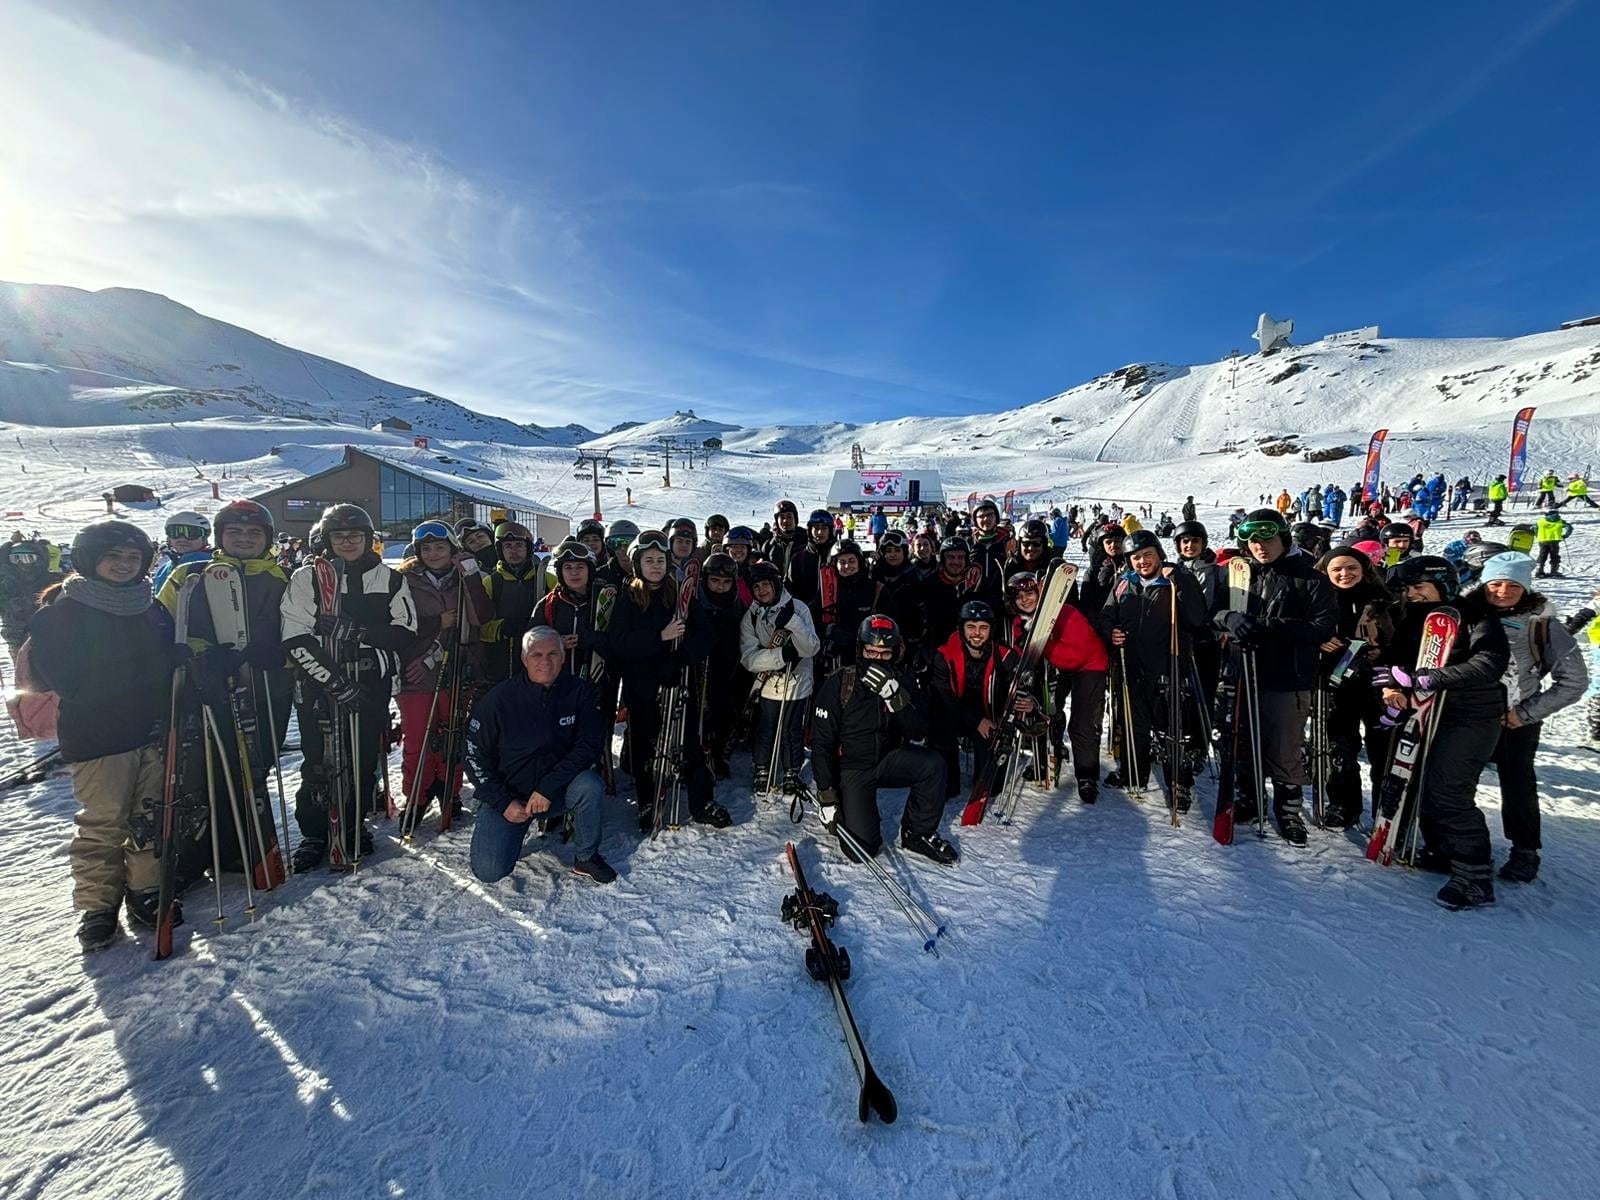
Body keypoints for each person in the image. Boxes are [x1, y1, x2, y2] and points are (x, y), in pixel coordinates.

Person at [29, 521, 185, 951]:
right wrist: (156, 667)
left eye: (133, 557)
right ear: (89, 560)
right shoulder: (63, 613)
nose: (124, 564)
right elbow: (72, 683)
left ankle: (146, 889)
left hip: (151, 729)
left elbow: (166, 661)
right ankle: (97, 906)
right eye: (113, 556)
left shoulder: (149, 607)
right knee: (104, 822)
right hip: (100, 736)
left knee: (150, 817)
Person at [156, 499, 293, 885]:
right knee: (209, 769)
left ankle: (243, 844)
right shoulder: (189, 575)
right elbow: (164, 627)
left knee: (256, 764)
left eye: (254, 533)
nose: (244, 539)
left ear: (267, 538)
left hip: (267, 688)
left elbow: (301, 629)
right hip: (208, 688)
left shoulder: (283, 578)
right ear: (219, 536)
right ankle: (201, 849)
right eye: (235, 532)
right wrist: (202, 653)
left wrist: (280, 655)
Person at [280, 504, 417, 870]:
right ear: (327, 540)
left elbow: (405, 631)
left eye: (355, 535)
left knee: (362, 758)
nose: (347, 542)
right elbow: (294, 637)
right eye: (339, 536)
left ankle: (353, 826)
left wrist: (358, 633)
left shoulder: (389, 579)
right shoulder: (307, 578)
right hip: (319, 684)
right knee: (317, 760)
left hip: (370, 682)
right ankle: (314, 832)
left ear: (368, 539)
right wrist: (334, 682)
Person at [1375, 556, 1508, 909]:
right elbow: (1397, 661)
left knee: (1448, 792)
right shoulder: (1412, 617)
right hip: (1427, 713)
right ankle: (1442, 849)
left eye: (1419, 587)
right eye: (1407, 589)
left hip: (1470, 716)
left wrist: (1425, 679)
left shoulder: (1476, 616)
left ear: (1443, 584)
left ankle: (1475, 876)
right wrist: (1392, 687)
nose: (1412, 594)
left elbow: (1488, 664)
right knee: (1421, 783)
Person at [1213, 509, 1337, 845]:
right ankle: (1250, 799)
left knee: (1284, 747)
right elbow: (1215, 613)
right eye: (1253, 541)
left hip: (1288, 676)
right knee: (1241, 741)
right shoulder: (1240, 575)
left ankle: (1288, 810)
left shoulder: (1310, 578)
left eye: (1267, 539)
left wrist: (1265, 627)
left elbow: (1321, 628)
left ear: (1283, 538)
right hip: (1242, 672)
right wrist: (1229, 618)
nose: (1260, 547)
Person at [596, 530, 726, 831]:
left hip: (677, 683)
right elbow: (619, 643)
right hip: (641, 687)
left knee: (689, 742)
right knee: (644, 746)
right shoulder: (628, 598)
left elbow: (706, 635)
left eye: (660, 560)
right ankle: (647, 800)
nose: (655, 566)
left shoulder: (679, 594)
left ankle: (701, 801)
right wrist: (659, 638)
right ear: (637, 563)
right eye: (649, 560)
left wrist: (681, 657)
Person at [1471, 553, 1589, 883]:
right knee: (1454, 783)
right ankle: (1457, 842)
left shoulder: (1542, 625)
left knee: (1517, 784)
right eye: (1496, 583)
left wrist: (1525, 714)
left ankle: (1524, 850)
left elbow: (1574, 680)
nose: (1503, 591)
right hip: (1466, 717)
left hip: (1512, 720)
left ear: (1526, 588)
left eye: (1513, 585)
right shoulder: (1464, 615)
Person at [465, 627, 614, 884]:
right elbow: (473, 754)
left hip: (556, 792)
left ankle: (586, 856)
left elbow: (588, 746)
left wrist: (547, 788)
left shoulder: (579, 693)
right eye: (536, 655)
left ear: (563, 657)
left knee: (589, 785)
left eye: (553, 654)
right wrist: (502, 802)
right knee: (489, 871)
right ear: (524, 659)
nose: (545, 661)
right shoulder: (499, 699)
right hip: (511, 797)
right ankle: (506, 827)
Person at [811, 615, 956, 864]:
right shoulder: (841, 683)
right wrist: (826, 796)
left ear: (895, 653)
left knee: (933, 765)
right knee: (861, 850)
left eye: (885, 653)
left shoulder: (903, 680)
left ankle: (917, 834)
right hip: (853, 767)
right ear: (860, 650)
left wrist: (896, 698)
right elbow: (821, 744)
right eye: (871, 652)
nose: (877, 659)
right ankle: (845, 810)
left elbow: (919, 732)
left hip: (888, 759)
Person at [1095, 531, 1208, 808]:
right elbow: (1106, 615)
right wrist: (1111, 632)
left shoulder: (1176, 580)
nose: (1142, 561)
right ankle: (1133, 771)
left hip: (1167, 667)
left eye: (1147, 555)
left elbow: (1197, 618)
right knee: (1133, 724)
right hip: (1131, 666)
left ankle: (1179, 782)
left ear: (1159, 554)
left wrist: (1180, 581)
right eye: (1136, 557)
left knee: (1172, 727)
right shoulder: (1124, 583)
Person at [395, 522, 491, 827]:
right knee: (418, 738)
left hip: (457, 667)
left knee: (452, 733)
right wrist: (439, 622)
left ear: (452, 548)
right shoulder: (404, 579)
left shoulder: (465, 576)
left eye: (440, 547)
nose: (433, 553)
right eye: (426, 548)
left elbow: (481, 617)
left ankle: (449, 789)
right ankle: (417, 795)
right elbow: (397, 624)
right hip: (416, 670)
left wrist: (471, 576)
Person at [1312, 545, 1396, 828]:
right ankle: (1342, 804)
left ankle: (1386, 811)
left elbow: (1403, 642)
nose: (1344, 574)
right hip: (1335, 684)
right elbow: (1301, 634)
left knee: (1382, 752)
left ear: (1364, 570)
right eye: (1337, 569)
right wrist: (1319, 641)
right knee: (1338, 748)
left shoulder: (1385, 602)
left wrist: (1382, 651)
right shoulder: (1317, 600)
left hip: (1378, 686)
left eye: (1351, 568)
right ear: (1325, 572)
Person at [1006, 571, 1107, 803]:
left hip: (1089, 665)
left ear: (1039, 593)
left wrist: (1041, 643)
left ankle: (1087, 775)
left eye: (1029, 593)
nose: (1025, 600)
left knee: (1083, 721)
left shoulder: (1065, 612)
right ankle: (1046, 757)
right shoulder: (1019, 622)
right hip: (1054, 666)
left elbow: (1075, 657)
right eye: (1019, 596)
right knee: (1045, 707)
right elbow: (1022, 655)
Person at [929, 600, 1034, 800]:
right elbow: (945, 698)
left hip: (990, 720)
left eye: (983, 628)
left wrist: (1028, 702)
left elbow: (1022, 687)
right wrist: (976, 720)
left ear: (991, 630)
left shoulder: (1005, 656)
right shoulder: (944, 655)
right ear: (961, 629)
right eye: (971, 627)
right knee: (938, 723)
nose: (977, 633)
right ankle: (948, 779)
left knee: (990, 787)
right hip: (955, 714)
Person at [740, 560, 820, 794]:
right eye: (756, 587)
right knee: (766, 727)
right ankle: (762, 766)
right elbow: (749, 658)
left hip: (797, 681)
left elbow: (811, 647)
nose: (761, 591)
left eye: (766, 585)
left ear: (776, 584)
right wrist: (781, 655)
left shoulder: (798, 608)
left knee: (791, 729)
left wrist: (792, 622)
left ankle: (791, 769)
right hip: (768, 681)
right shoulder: (752, 616)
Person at [695, 552, 749, 779]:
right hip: (697, 666)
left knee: (721, 712)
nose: (720, 587)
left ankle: (717, 755)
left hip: (724, 667)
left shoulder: (737, 605)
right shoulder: (696, 602)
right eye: (715, 580)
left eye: (726, 582)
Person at [479, 521, 546, 684]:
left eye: (519, 545)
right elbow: (478, 626)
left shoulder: (546, 579)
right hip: (501, 661)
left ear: (528, 548)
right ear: (500, 550)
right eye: (508, 546)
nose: (513, 551)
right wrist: (502, 628)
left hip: (538, 658)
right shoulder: (491, 583)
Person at [0, 534, 64, 657]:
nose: (21, 563)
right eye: (15, 559)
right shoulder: (7, 584)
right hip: (16, 639)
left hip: (50, 639)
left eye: (27, 558)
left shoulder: (52, 581)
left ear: (39, 560)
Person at [152, 511, 213, 593]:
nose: (182, 538)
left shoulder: (211, 565)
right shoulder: (164, 569)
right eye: (174, 532)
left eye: (191, 533)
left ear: (204, 537)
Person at [1534, 510, 1572, 577]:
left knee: (1542, 555)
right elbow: (1569, 528)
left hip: (1542, 541)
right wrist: (1565, 536)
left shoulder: (1541, 521)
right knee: (1554, 556)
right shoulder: (1560, 521)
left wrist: (1538, 535)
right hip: (1554, 541)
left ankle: (1539, 570)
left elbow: (1534, 528)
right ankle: (1554, 571)